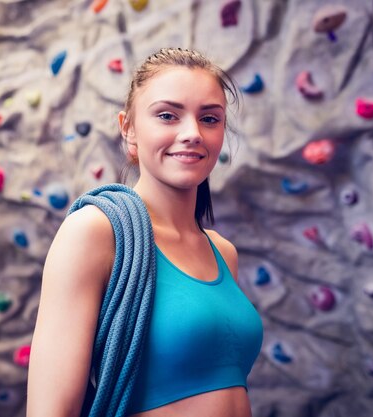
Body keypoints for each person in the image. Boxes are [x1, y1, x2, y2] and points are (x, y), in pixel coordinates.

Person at [27, 48, 263, 417]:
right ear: (129, 128)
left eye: (210, 118)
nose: (192, 134)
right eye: (167, 116)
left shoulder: (222, 252)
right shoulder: (94, 231)